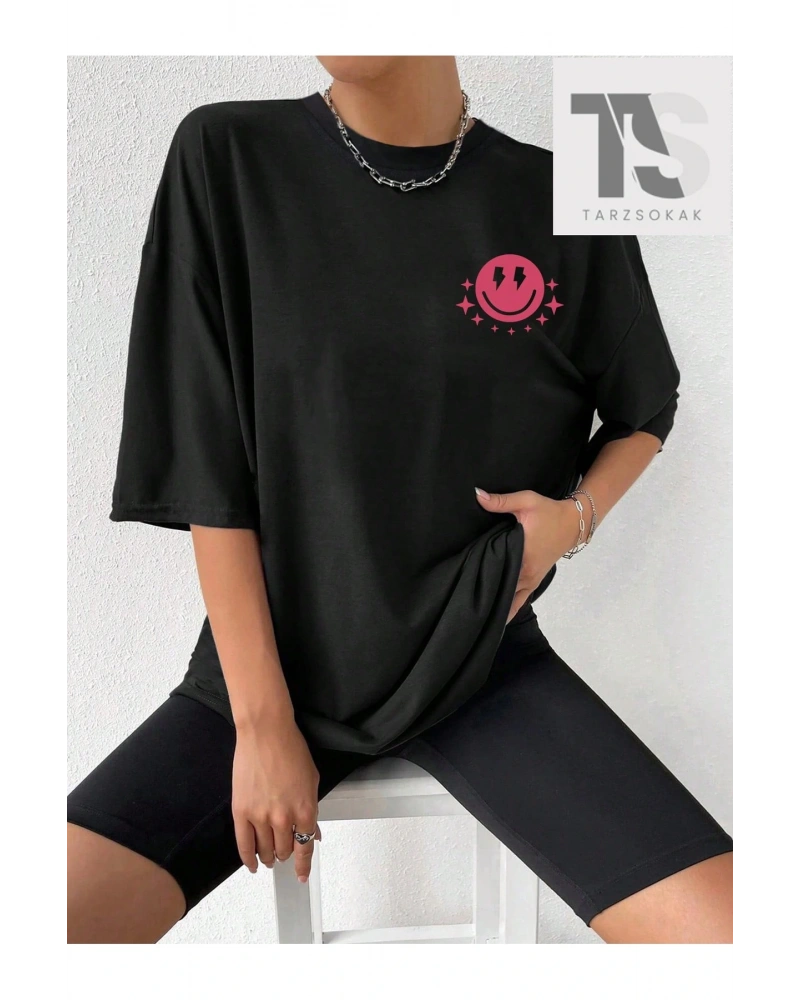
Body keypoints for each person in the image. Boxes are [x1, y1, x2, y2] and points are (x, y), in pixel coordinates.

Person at [65, 55, 735, 944]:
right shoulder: (227, 154)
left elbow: (646, 404)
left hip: (482, 666)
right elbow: (206, 458)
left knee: (739, 942)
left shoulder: (562, 192)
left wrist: (569, 524)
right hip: (269, 675)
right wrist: (262, 725)